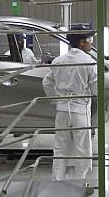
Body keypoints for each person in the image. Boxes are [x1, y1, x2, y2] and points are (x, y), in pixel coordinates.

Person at [42, 32, 97, 187]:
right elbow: (96, 88)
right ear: (81, 42)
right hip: (79, 110)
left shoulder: (58, 61)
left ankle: (57, 183)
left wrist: (56, 100)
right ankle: (79, 183)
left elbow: (46, 82)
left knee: (60, 148)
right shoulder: (88, 62)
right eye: (90, 40)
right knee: (83, 149)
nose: (91, 44)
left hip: (62, 111)